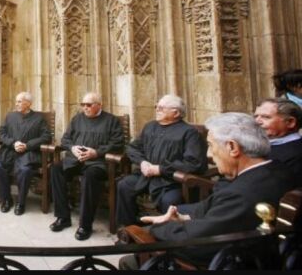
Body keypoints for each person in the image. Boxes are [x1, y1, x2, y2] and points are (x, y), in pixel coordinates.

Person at [118, 113, 294, 269]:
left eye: (210, 145)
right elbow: (217, 206)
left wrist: (158, 227)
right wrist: (182, 215)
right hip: (255, 247)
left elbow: (196, 243)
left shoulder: (240, 193)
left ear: (232, 147)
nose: (209, 154)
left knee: (130, 261)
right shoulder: (279, 170)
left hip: (233, 260)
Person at [115, 94, 207, 228]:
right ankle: (130, 229)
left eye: (161, 108)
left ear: (175, 113)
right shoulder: (150, 126)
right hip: (145, 176)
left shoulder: (189, 133)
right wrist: (142, 162)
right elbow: (132, 148)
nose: (157, 110)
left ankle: (166, 237)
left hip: (171, 181)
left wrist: (160, 169)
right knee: (124, 185)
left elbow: (194, 163)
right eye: (156, 106)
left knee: (170, 200)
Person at [49, 92, 125, 240]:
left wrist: (96, 152)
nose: (85, 108)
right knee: (56, 169)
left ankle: (85, 224)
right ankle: (63, 217)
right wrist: (72, 148)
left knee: (90, 177)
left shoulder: (111, 120)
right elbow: (65, 139)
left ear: (99, 105)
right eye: (83, 105)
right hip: (75, 160)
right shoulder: (77, 119)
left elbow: (118, 144)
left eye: (89, 105)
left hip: (99, 163)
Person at [0, 92, 51, 215]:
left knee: (25, 170)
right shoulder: (10, 116)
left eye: (20, 101)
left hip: (29, 154)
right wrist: (13, 143)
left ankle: (21, 202)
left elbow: (46, 137)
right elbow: (1, 133)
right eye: (17, 101)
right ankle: (6, 199)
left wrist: (28, 145)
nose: (17, 104)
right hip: (10, 151)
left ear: (29, 103)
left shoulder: (38, 119)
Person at [254, 98, 302, 184]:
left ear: (290, 122)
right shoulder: (258, 146)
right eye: (256, 116)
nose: (257, 122)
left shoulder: (297, 153)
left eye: (266, 117)